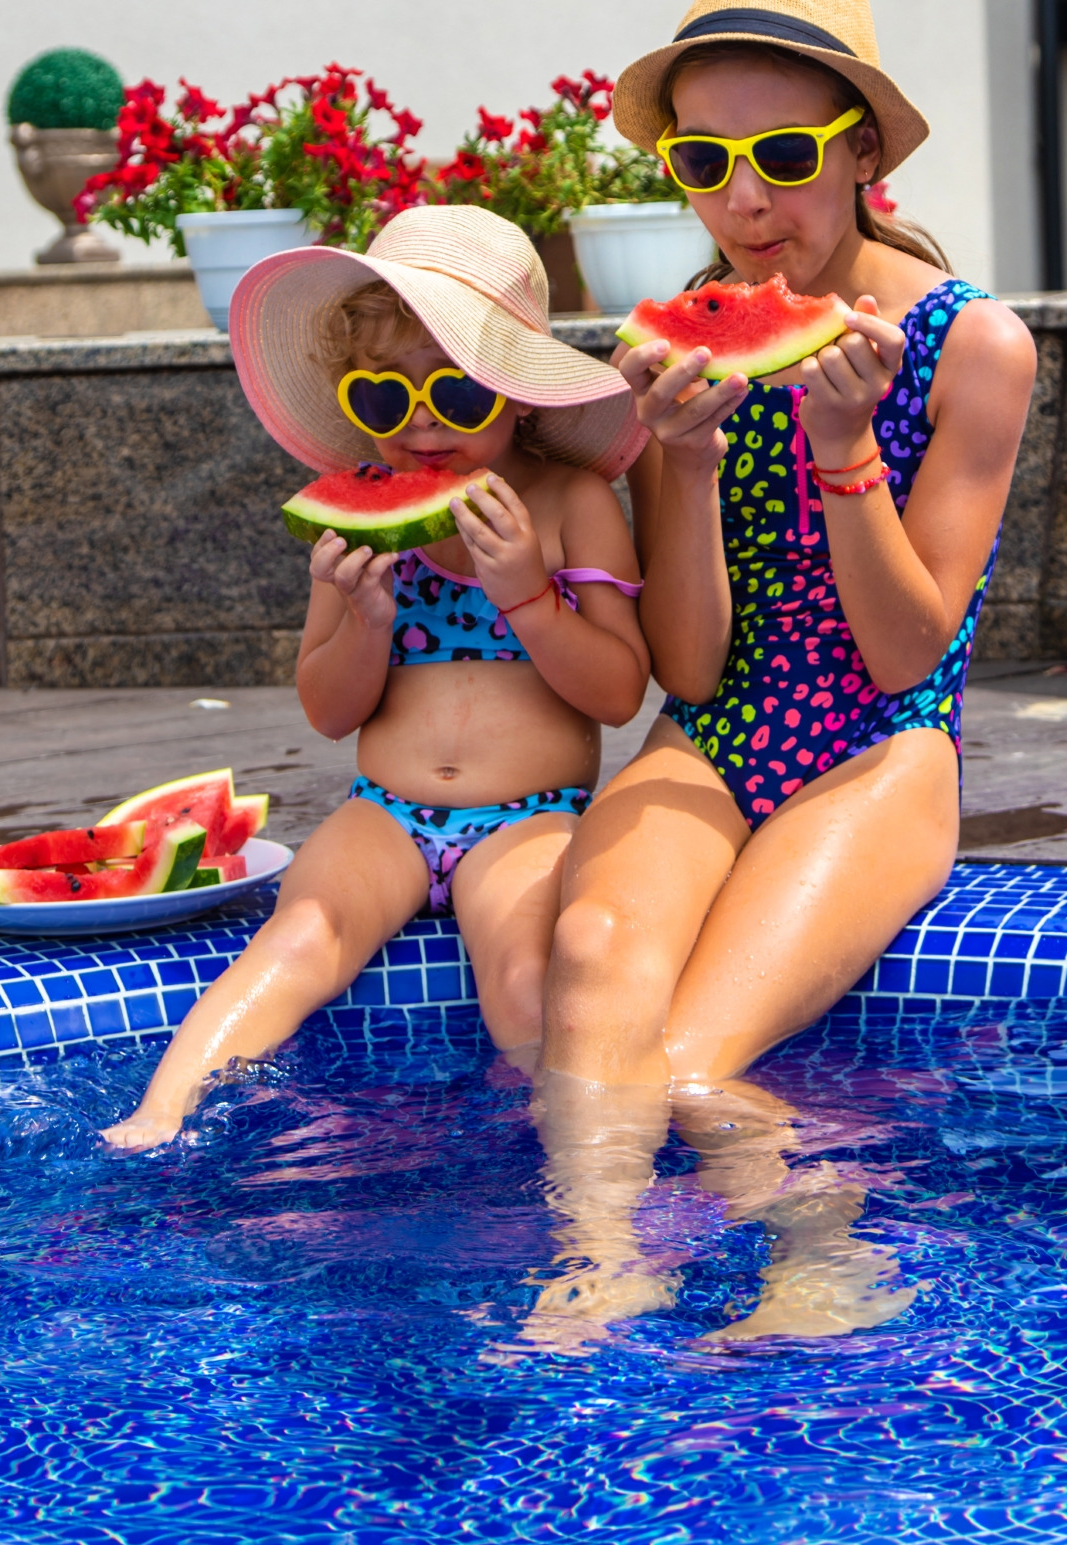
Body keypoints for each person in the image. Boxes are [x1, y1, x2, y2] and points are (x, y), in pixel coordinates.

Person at [527, 0, 1038, 1342]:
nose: (744, 202)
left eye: (784, 155)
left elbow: (904, 654)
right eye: (703, 161)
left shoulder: (973, 346)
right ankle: (600, 1260)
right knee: (594, 954)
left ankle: (826, 1252)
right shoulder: (676, 359)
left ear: (861, 149)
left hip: (878, 747)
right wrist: (682, 464)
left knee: (690, 1059)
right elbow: (690, 670)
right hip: (718, 729)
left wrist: (845, 447)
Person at [103, 205, 655, 1151]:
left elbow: (617, 692)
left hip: (530, 818)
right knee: (298, 939)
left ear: (520, 393)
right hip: (382, 813)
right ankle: (159, 1118)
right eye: (385, 398)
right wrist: (366, 621)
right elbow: (329, 710)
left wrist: (528, 594)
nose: (423, 423)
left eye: (458, 393)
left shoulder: (573, 504)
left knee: (525, 981)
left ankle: (580, 1161)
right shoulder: (357, 518)